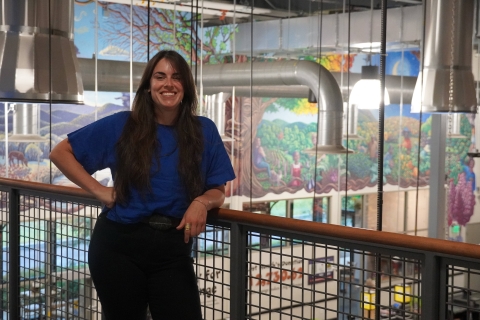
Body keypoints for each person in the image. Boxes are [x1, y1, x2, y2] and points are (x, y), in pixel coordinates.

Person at [49, 50, 235, 319]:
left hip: (173, 247)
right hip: (118, 246)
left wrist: (201, 202)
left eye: (176, 77)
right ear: (148, 86)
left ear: (186, 87)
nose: (168, 84)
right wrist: (99, 190)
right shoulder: (124, 125)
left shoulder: (203, 131)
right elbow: (60, 153)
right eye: (160, 77)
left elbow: (218, 190)